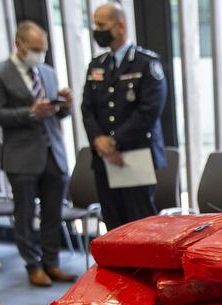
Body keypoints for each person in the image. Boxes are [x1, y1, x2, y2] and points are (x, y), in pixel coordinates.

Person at [0, 21, 77, 287]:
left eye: (43, 49)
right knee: (24, 214)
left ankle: (52, 263)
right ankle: (33, 265)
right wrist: (31, 112)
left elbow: (58, 115)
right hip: (21, 156)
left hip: (53, 153)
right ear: (19, 44)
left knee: (52, 213)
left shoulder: (47, 72)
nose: (39, 53)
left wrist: (64, 105)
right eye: (35, 48)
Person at [81, 2, 167, 230]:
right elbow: (87, 109)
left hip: (134, 155)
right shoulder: (96, 66)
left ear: (119, 26)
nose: (96, 30)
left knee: (140, 226)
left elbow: (149, 112)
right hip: (104, 158)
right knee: (113, 224)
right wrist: (100, 141)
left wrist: (114, 142)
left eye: (101, 24)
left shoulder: (146, 63)